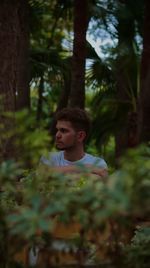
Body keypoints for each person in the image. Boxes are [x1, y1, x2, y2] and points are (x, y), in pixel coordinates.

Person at [40, 107, 108, 178]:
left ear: (80, 136)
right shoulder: (49, 158)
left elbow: (98, 181)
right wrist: (84, 168)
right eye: (57, 130)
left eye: (63, 131)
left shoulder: (98, 163)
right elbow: (43, 175)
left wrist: (56, 173)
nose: (57, 135)